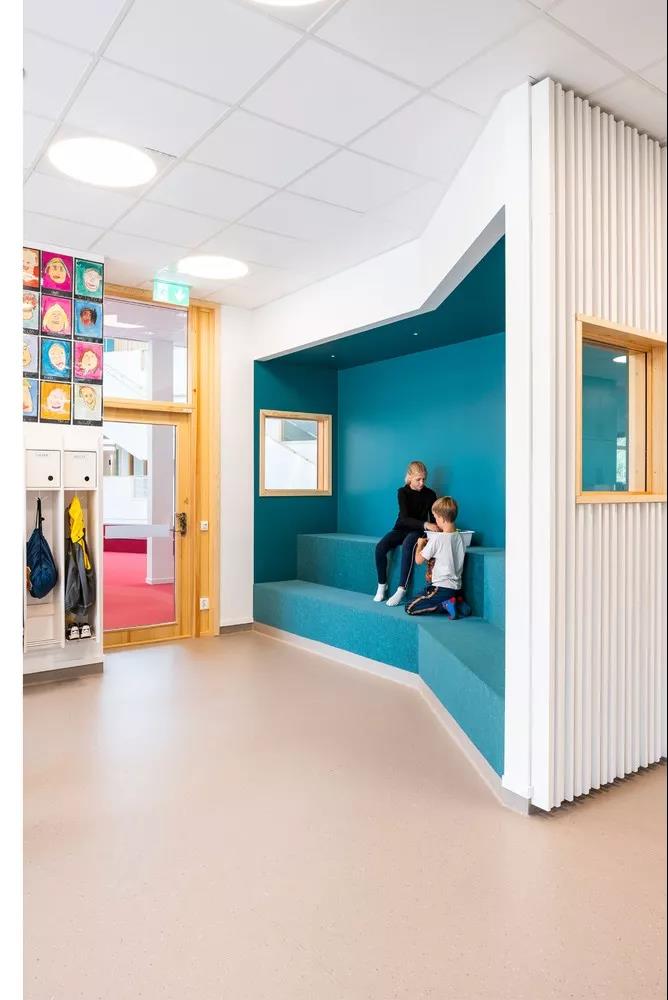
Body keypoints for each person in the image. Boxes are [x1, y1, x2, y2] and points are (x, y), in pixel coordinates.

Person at [373, 461, 438, 606]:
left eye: (424, 479)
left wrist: (435, 530)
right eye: (418, 479)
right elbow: (404, 518)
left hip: (418, 531)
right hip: (401, 528)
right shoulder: (402, 492)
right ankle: (382, 585)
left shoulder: (430, 494)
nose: (422, 483)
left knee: (409, 543)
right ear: (409, 477)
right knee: (380, 547)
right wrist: (425, 523)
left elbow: (434, 520)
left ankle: (401, 589)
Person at [405, 496, 470, 618]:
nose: (435, 521)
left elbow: (418, 560)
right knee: (424, 593)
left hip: (441, 588)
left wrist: (420, 545)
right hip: (455, 587)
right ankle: (457, 602)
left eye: (435, 517)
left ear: (442, 518)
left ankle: (445, 605)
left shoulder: (437, 539)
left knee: (409, 608)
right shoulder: (460, 537)